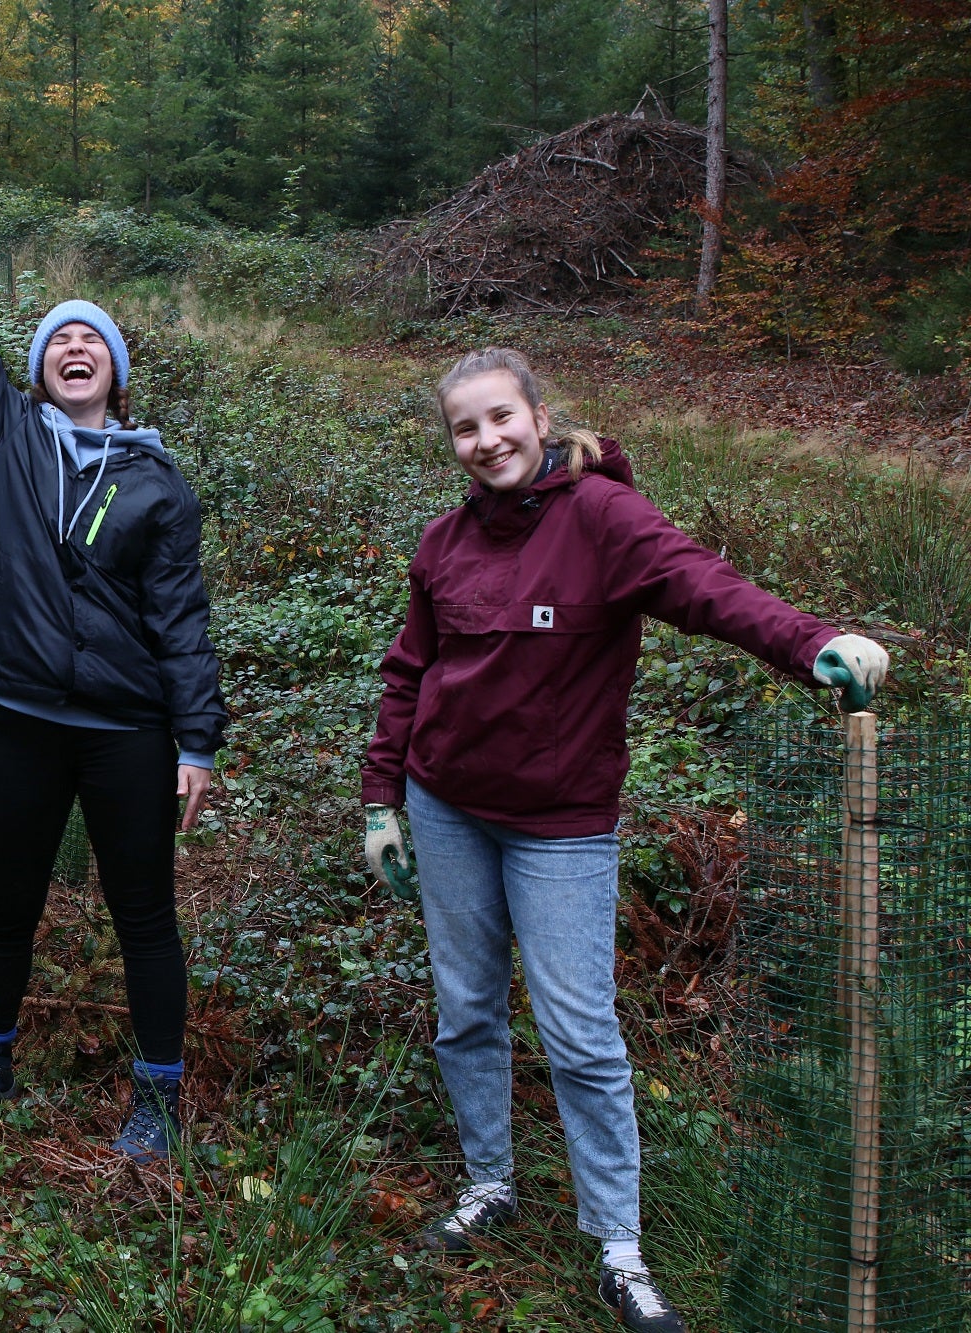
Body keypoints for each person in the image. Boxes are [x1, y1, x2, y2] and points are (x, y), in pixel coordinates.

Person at [360, 347, 890, 1332]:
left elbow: (703, 586)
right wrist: (379, 800)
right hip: (445, 811)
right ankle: (487, 1186)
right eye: (463, 430)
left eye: (497, 419)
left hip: (556, 827)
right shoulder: (442, 543)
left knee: (577, 1033)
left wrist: (806, 643)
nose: (484, 442)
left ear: (537, 414)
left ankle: (616, 1244)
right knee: (466, 1009)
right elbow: (407, 674)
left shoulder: (601, 517)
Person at [0, 146, 227, 1163]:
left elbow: (182, 621)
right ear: (35, 368)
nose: (75, 347)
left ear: (114, 367)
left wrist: (194, 739)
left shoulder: (158, 482)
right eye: (58, 339)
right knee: (5, 901)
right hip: (17, 716)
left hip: (126, 731)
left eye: (92, 339)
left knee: (143, 913)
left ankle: (155, 1090)